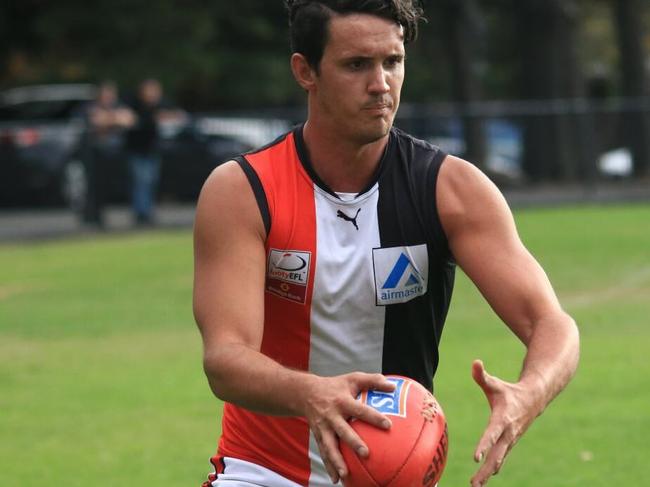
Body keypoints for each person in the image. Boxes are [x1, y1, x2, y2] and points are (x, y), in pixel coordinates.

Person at [193, 1, 580, 486]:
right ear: (305, 71)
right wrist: (311, 392)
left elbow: (552, 324)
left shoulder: (451, 190)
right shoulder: (243, 190)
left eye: (392, 62)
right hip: (262, 472)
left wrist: (529, 392)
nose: (380, 84)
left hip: (394, 474)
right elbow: (225, 359)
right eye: (356, 65)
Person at [125, 78, 185, 225]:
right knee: (141, 180)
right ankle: (141, 213)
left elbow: (177, 114)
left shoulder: (159, 105)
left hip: (151, 150)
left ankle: (147, 210)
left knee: (151, 180)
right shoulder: (135, 105)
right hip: (137, 149)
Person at [79, 81, 134, 227]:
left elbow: (128, 120)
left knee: (109, 186)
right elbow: (96, 121)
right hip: (95, 154)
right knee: (94, 186)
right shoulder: (90, 108)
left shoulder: (118, 106)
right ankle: (92, 216)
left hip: (113, 154)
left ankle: (99, 216)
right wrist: (115, 119)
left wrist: (107, 118)